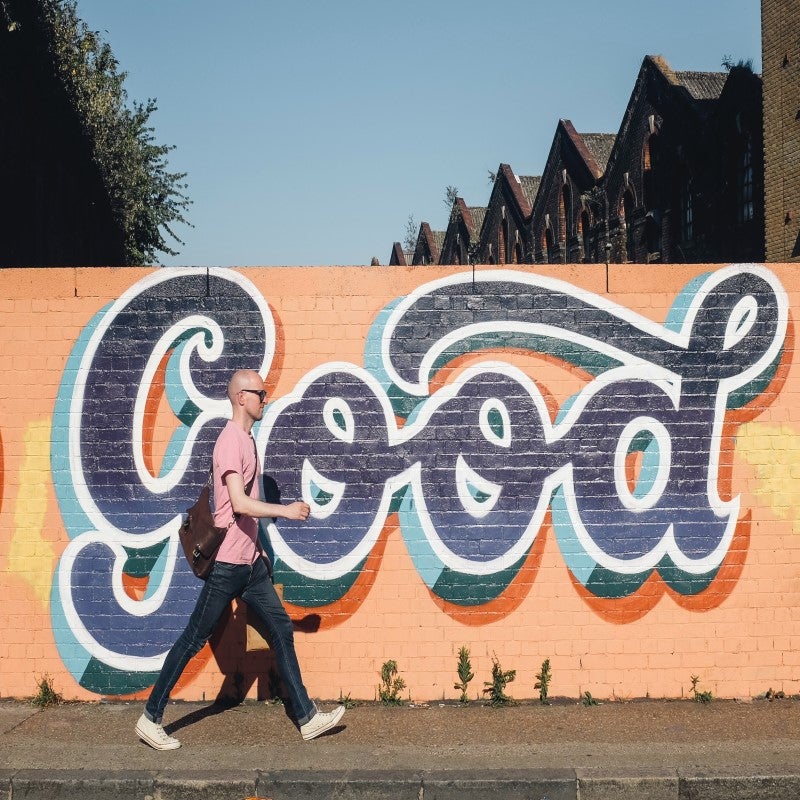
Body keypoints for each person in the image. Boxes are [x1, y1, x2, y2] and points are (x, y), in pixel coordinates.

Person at [135, 369, 345, 750]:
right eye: (260, 394)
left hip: (250, 565)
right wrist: (285, 511)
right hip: (229, 564)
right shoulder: (230, 441)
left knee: (280, 629)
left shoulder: (247, 439)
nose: (265, 399)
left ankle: (307, 718)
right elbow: (238, 503)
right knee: (193, 637)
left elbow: (243, 512)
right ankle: (151, 718)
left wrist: (259, 549)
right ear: (240, 398)